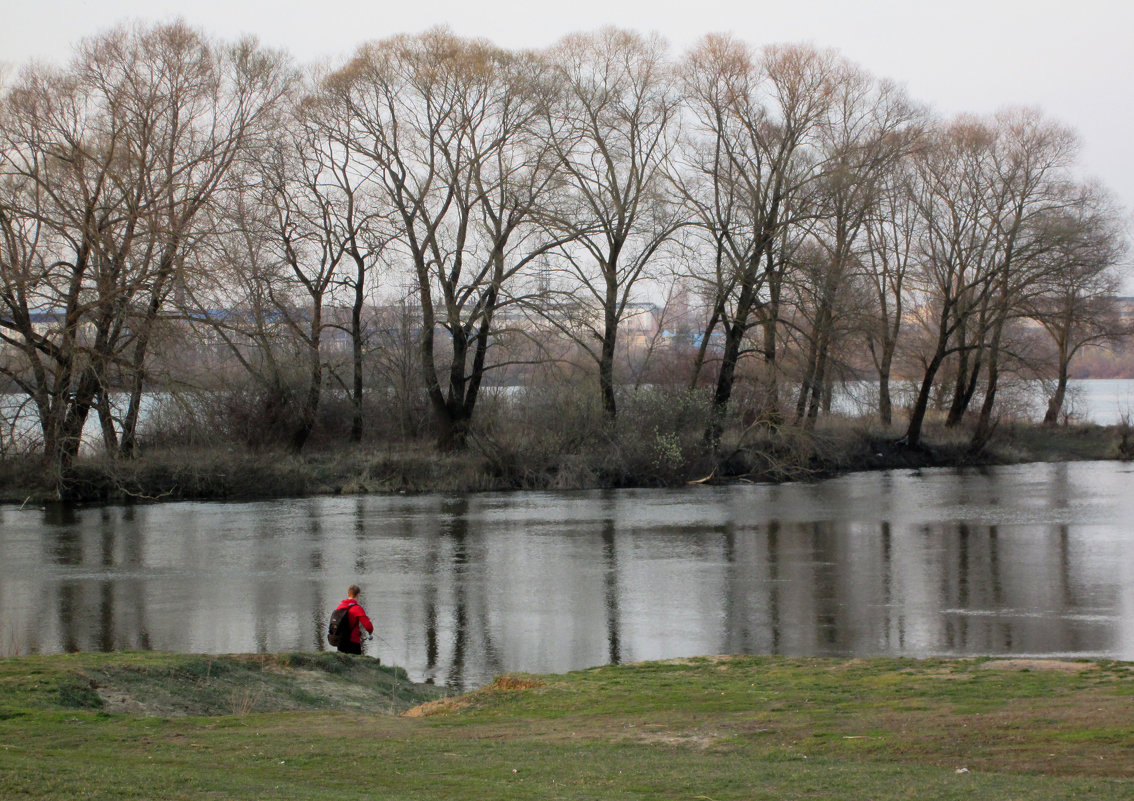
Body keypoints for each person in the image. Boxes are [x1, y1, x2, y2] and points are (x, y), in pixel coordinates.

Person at [333, 584, 374, 655]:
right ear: (358, 595)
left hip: (340, 641)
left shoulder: (339, 606)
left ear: (348, 594)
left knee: (343, 662)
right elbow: (368, 626)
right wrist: (370, 632)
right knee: (356, 663)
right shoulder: (357, 608)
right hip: (353, 641)